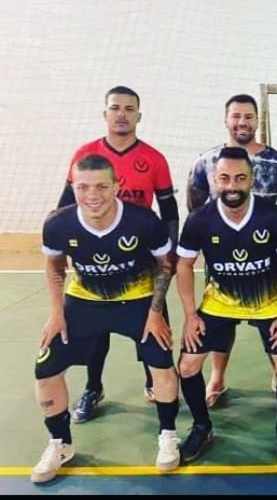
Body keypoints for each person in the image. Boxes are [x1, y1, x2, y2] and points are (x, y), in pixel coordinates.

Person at [32, 154, 180, 483]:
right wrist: (56, 313)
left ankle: (168, 434)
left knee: (162, 364)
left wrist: (156, 312)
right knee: (45, 370)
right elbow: (54, 268)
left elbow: (164, 266)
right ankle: (60, 443)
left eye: (101, 186)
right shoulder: (58, 223)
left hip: (138, 299)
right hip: (85, 300)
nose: (92, 195)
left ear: (117, 185)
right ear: (73, 187)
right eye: (83, 187)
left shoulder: (144, 221)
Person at [56, 85, 179, 422]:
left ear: (139, 115)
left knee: (152, 326)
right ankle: (93, 387)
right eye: (115, 108)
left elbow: (169, 212)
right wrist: (69, 247)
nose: (122, 114)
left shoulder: (154, 159)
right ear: (105, 113)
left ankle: (154, 382)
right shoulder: (86, 154)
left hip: (141, 263)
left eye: (129, 108)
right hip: (96, 262)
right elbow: (64, 207)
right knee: (96, 331)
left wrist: (169, 253)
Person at [175, 147, 277, 463]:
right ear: (215, 180)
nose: (232, 186)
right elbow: (184, 265)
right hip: (219, 302)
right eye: (224, 178)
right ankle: (202, 426)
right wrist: (190, 315)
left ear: (252, 179)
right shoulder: (200, 219)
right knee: (188, 365)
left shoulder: (272, 216)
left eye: (240, 178)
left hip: (266, 302)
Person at [186, 93, 277, 407]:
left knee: (272, 323)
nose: (242, 122)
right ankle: (218, 377)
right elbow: (194, 203)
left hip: (266, 262)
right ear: (226, 119)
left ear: (257, 120)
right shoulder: (206, 161)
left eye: (249, 116)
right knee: (221, 322)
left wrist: (266, 234)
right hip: (222, 262)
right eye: (236, 116)